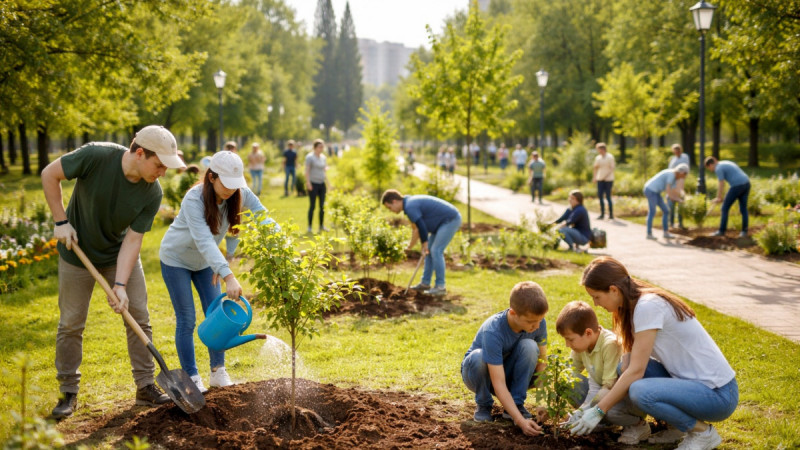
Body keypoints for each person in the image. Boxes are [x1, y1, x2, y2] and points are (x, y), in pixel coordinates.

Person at [41, 125, 186, 419]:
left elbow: (133, 239)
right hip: (76, 253)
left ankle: (145, 386)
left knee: (140, 318)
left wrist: (120, 284)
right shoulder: (96, 156)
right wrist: (60, 221)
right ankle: (68, 391)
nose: (162, 173)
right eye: (159, 165)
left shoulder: (152, 192)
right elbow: (49, 174)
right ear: (140, 153)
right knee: (71, 323)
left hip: (118, 254)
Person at [571, 257, 739, 450]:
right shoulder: (631, 307)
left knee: (640, 391)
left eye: (597, 297)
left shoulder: (647, 307)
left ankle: (702, 433)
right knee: (622, 368)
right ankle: (677, 427)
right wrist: (590, 405)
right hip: (693, 385)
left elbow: (636, 371)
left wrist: (599, 410)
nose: (596, 304)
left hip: (718, 395)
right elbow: (627, 365)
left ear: (614, 290)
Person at [160, 151, 273, 392]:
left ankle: (218, 372)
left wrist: (282, 244)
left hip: (206, 263)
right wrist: (226, 274)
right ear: (211, 177)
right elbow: (204, 241)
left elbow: (260, 217)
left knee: (219, 316)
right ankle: (192, 377)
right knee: (187, 319)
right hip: (176, 260)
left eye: (235, 185)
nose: (231, 190)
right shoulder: (194, 200)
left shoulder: (240, 195)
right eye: (226, 184)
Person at [461, 281, 548, 436]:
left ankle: (516, 404)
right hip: (479, 374)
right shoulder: (493, 330)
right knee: (479, 357)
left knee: (530, 346)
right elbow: (498, 382)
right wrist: (521, 422)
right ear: (513, 313)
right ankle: (483, 404)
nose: (536, 326)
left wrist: (542, 402)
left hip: (507, 373)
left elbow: (542, 364)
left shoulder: (538, 323)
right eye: (530, 322)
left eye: (539, 321)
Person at [556, 301, 649, 445]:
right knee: (565, 380)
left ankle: (638, 425)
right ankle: (601, 423)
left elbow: (609, 387)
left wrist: (583, 411)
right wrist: (556, 407)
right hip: (600, 393)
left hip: (623, 399)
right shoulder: (581, 346)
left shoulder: (609, 345)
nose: (568, 345)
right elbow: (567, 373)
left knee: (610, 412)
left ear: (588, 333)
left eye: (570, 339)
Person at [381, 189, 461, 296]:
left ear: (394, 201)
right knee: (428, 252)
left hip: (450, 220)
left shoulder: (410, 206)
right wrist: (409, 247)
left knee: (436, 250)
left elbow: (422, 226)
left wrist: (424, 244)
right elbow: (416, 230)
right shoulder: (408, 204)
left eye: (389, 207)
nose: (391, 210)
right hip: (441, 224)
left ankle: (440, 287)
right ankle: (425, 283)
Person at [705, 156, 751, 237]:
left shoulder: (718, 168)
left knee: (724, 208)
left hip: (737, 186)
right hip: (746, 183)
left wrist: (719, 197)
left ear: (711, 165)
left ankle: (721, 231)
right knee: (743, 208)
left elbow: (721, 183)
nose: (710, 170)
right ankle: (744, 232)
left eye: (709, 168)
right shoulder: (725, 162)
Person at [643, 164, 689, 240]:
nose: (684, 176)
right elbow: (668, 190)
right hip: (650, 190)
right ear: (681, 172)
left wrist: (679, 199)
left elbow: (672, 193)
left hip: (656, 192)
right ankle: (649, 233)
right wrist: (676, 199)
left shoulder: (675, 178)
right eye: (685, 174)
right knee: (652, 211)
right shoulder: (671, 174)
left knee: (666, 211)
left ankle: (666, 233)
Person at [305, 139, 329, 233]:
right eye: (320, 147)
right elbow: (306, 171)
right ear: (315, 147)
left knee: (322, 206)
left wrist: (328, 183)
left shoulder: (323, 157)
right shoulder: (310, 157)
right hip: (313, 184)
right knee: (312, 206)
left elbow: (324, 169)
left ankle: (321, 226)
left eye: (322, 146)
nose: (322, 148)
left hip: (322, 184)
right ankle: (310, 227)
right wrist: (308, 183)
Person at [668, 144, 690, 229]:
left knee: (680, 201)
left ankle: (680, 223)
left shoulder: (685, 157)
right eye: (675, 151)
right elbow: (670, 170)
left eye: (678, 151)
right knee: (672, 203)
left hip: (681, 180)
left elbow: (686, 168)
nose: (676, 152)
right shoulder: (673, 159)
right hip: (673, 181)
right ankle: (672, 223)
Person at [593, 143, 615, 220]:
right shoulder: (598, 158)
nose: (599, 151)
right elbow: (595, 168)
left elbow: (612, 168)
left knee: (608, 196)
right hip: (600, 179)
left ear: (603, 149)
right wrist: (595, 177)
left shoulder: (610, 157)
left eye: (599, 149)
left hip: (608, 180)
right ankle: (602, 214)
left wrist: (605, 177)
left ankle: (611, 214)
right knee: (600, 196)